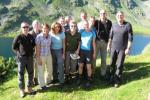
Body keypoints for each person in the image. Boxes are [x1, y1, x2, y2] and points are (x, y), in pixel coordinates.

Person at [107, 11, 133, 88]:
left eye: (121, 15)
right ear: (116, 16)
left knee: (119, 65)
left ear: (123, 16)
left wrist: (128, 48)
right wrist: (108, 46)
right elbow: (110, 37)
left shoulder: (128, 25)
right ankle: (111, 77)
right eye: (118, 15)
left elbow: (130, 38)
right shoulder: (114, 25)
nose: (119, 17)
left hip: (122, 49)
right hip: (113, 48)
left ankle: (117, 80)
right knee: (111, 63)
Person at [12, 22, 36, 97]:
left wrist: (32, 52)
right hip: (22, 58)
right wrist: (19, 54)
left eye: (27, 27)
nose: (25, 28)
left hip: (30, 58)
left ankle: (29, 88)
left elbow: (33, 45)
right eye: (24, 27)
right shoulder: (18, 37)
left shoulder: (31, 36)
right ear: (21, 28)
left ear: (29, 28)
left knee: (31, 73)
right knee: (21, 74)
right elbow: (14, 47)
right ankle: (22, 90)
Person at [77, 20, 96, 88]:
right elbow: (79, 42)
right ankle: (80, 78)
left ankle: (89, 79)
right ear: (83, 26)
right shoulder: (81, 32)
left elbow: (93, 44)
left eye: (87, 25)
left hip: (89, 52)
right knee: (81, 65)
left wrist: (94, 52)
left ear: (89, 25)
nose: (87, 26)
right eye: (85, 25)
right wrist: (78, 51)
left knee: (88, 67)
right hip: (82, 51)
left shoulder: (92, 33)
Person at [94, 9, 112, 78]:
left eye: (104, 13)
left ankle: (103, 74)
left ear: (106, 14)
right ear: (99, 14)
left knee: (104, 59)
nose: (102, 14)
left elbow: (111, 33)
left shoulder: (109, 22)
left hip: (105, 43)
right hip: (97, 42)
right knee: (94, 58)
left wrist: (109, 44)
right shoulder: (97, 22)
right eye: (101, 13)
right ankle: (92, 73)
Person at [36, 23, 52, 90]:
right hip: (41, 56)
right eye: (44, 28)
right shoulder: (39, 37)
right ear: (42, 29)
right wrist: (38, 58)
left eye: (46, 28)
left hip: (48, 55)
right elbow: (37, 48)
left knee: (50, 69)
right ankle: (42, 85)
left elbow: (49, 45)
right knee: (41, 70)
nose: (45, 29)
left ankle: (48, 81)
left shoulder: (50, 36)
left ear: (48, 29)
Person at [50, 22, 65, 88]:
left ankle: (61, 81)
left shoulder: (62, 33)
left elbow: (64, 44)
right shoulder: (50, 34)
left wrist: (63, 53)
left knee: (60, 65)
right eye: (56, 27)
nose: (57, 28)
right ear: (53, 27)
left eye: (59, 27)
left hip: (60, 51)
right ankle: (55, 79)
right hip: (52, 51)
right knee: (53, 65)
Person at [30, 20, 41, 86]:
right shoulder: (30, 34)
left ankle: (36, 79)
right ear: (33, 26)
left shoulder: (41, 32)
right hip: (32, 54)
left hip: (40, 53)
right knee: (32, 67)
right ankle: (31, 81)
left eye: (38, 24)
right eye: (35, 25)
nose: (36, 26)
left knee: (37, 66)